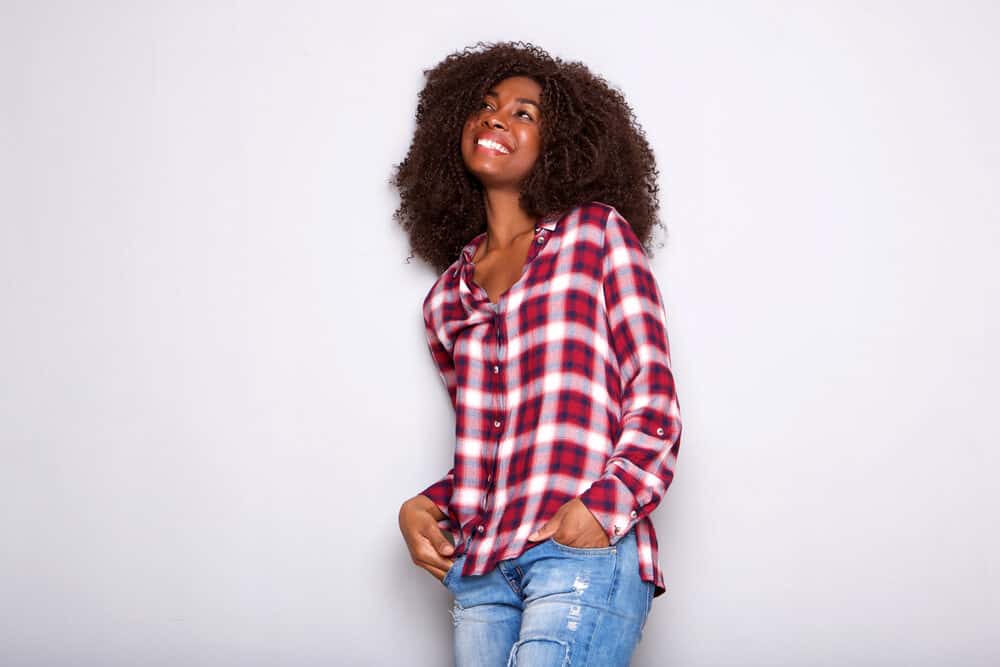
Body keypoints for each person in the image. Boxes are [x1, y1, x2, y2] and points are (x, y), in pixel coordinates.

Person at [391, 41, 683, 666]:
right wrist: (429, 507)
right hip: (479, 569)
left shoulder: (595, 233)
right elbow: (498, 445)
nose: (497, 118)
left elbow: (652, 397)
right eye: (487, 106)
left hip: (577, 550)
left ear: (561, 145)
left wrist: (601, 511)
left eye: (524, 114)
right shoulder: (447, 299)